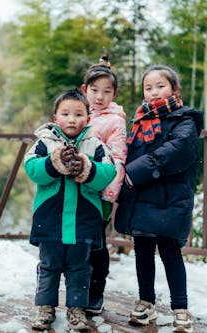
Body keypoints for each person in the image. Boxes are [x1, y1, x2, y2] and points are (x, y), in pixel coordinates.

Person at [114, 65, 203, 333]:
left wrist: (133, 172)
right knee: (142, 251)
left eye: (160, 86)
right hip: (142, 196)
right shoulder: (139, 121)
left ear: (174, 89)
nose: (153, 92)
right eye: (148, 87)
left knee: (170, 253)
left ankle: (180, 308)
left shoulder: (185, 120)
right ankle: (146, 301)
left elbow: (176, 151)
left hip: (170, 197)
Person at [24, 88, 117, 332]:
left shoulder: (96, 146)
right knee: (49, 266)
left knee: (80, 267)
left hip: (83, 221)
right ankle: (45, 308)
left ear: (88, 118)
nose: (72, 119)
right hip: (50, 219)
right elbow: (32, 169)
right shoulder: (43, 143)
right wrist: (55, 162)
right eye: (65, 114)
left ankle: (77, 310)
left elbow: (108, 173)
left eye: (78, 114)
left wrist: (86, 168)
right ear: (55, 118)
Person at [80, 54, 127, 315]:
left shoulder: (115, 121)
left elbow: (118, 159)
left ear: (114, 93)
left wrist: (108, 194)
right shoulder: (78, 113)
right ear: (85, 90)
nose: (100, 97)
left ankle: (96, 292)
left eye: (106, 92)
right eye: (95, 90)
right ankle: (79, 291)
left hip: (100, 193)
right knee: (78, 243)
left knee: (96, 242)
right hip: (76, 192)